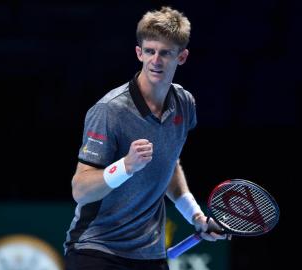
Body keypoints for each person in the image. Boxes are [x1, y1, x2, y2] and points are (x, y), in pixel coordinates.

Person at [64, 6, 229, 270]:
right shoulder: (109, 110)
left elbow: (168, 164)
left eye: (165, 53)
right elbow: (80, 190)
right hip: (96, 250)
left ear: (182, 57)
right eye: (150, 51)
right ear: (139, 53)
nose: (156, 60)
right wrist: (125, 167)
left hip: (150, 255)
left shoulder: (184, 104)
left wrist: (195, 216)